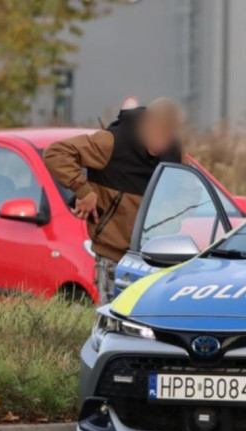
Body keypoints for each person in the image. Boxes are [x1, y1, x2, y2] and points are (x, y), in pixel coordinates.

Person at [44, 97, 186, 304]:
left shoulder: (174, 151)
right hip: (114, 258)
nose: (162, 142)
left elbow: (189, 189)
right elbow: (55, 153)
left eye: (168, 135)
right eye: (158, 133)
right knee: (113, 324)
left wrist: (169, 211)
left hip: (155, 259)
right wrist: (83, 191)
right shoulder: (111, 142)